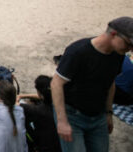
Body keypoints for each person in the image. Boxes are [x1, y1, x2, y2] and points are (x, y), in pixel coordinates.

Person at [51, 17, 132, 151]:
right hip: (73, 116)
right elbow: (56, 83)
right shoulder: (78, 51)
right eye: (128, 44)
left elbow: (110, 83)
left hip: (98, 116)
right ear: (113, 34)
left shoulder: (118, 54)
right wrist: (62, 121)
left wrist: (108, 113)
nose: (130, 49)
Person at [17, 75, 61, 152]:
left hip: (43, 146)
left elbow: (14, 104)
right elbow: (40, 96)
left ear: (40, 94)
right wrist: (23, 95)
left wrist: (20, 97)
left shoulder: (36, 110)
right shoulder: (59, 105)